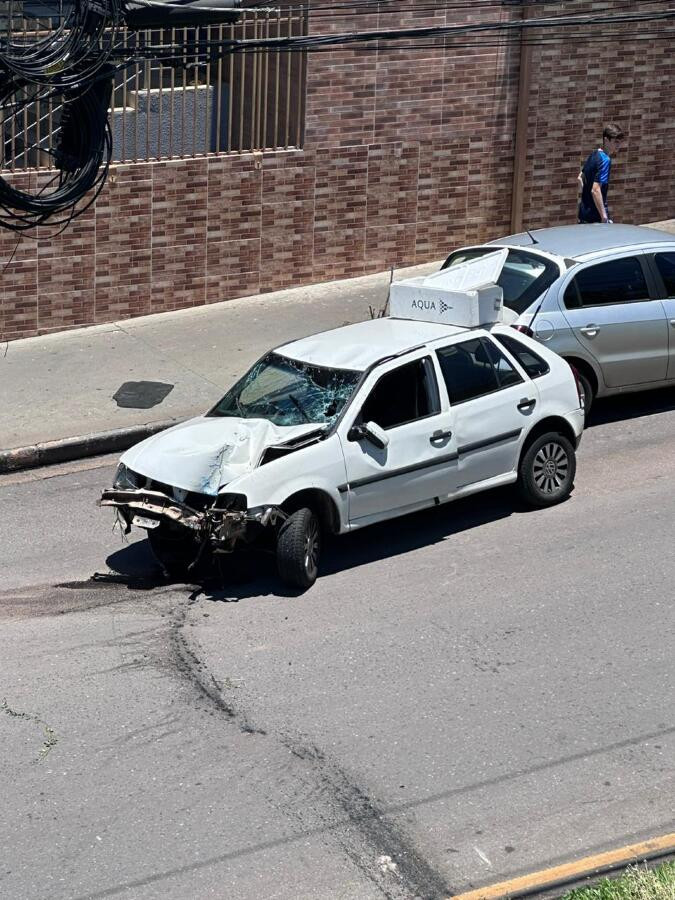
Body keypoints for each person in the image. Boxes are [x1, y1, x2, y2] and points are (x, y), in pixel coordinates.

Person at [577, 123, 625, 223]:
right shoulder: (605, 160)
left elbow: (580, 178)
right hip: (595, 217)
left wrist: (587, 199)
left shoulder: (594, 154)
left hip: (584, 213)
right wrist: (604, 217)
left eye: (620, 142)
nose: (619, 145)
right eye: (616, 142)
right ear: (606, 140)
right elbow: (595, 190)